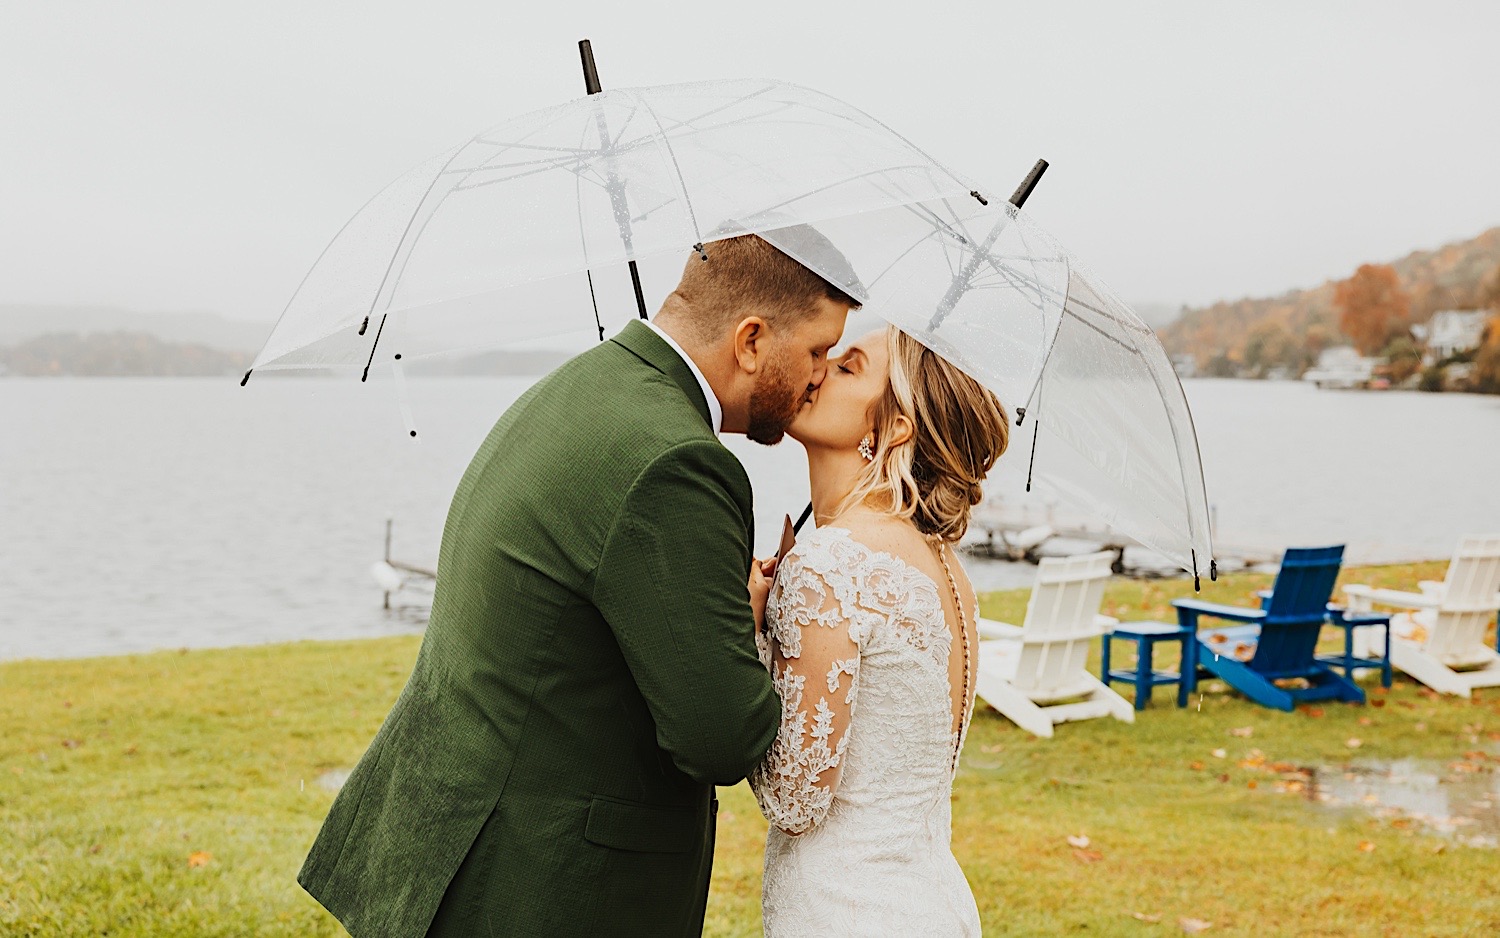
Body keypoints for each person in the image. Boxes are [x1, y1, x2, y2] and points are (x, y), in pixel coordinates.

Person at [297, 230, 858, 937]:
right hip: (536, 887)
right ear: (750, 340)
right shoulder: (681, 461)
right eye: (816, 350)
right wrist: (747, 627)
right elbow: (720, 737)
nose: (819, 374)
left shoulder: (583, 387)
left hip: (448, 840)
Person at [748, 325, 1009, 936]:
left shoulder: (829, 565)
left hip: (848, 910)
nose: (819, 368)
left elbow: (794, 801)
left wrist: (756, 637)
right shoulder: (943, 566)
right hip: (933, 901)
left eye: (848, 367)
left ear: (892, 428)